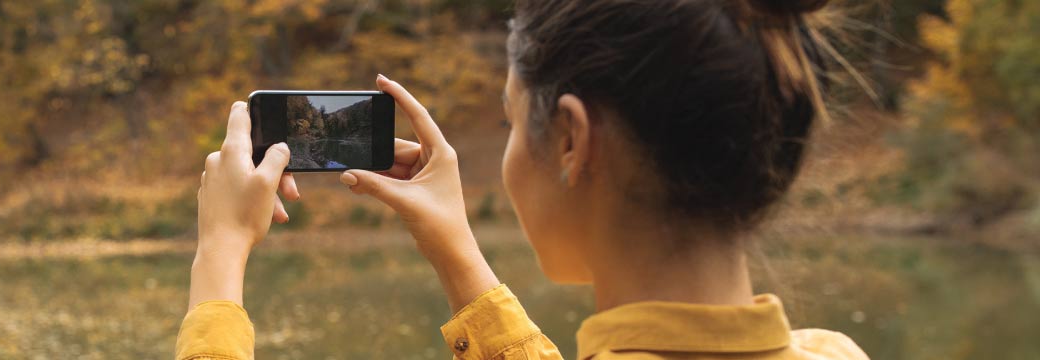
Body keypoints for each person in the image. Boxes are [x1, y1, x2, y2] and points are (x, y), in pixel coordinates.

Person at [177, 0, 870, 358]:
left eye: (512, 123)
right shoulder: (833, 352)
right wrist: (456, 252)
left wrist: (218, 264)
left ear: (570, 139)